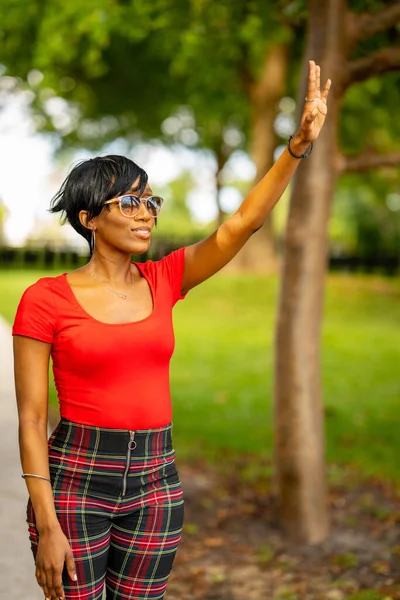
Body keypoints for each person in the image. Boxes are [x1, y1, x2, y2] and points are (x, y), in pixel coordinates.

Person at [12, 61, 331, 600]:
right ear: (89, 219)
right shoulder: (44, 299)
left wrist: (297, 145)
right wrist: (47, 523)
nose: (146, 214)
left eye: (150, 201)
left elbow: (241, 225)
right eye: (130, 202)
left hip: (156, 482)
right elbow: (31, 417)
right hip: (76, 480)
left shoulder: (165, 279)